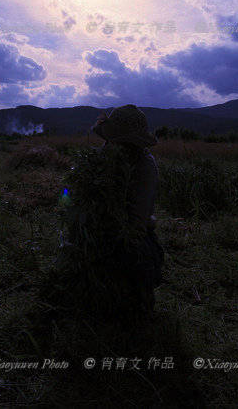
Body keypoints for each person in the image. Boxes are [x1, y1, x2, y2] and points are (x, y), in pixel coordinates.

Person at [91, 104, 164, 319]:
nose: (111, 145)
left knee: (134, 262)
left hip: (134, 237)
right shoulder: (104, 156)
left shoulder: (145, 166)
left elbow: (136, 222)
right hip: (102, 230)